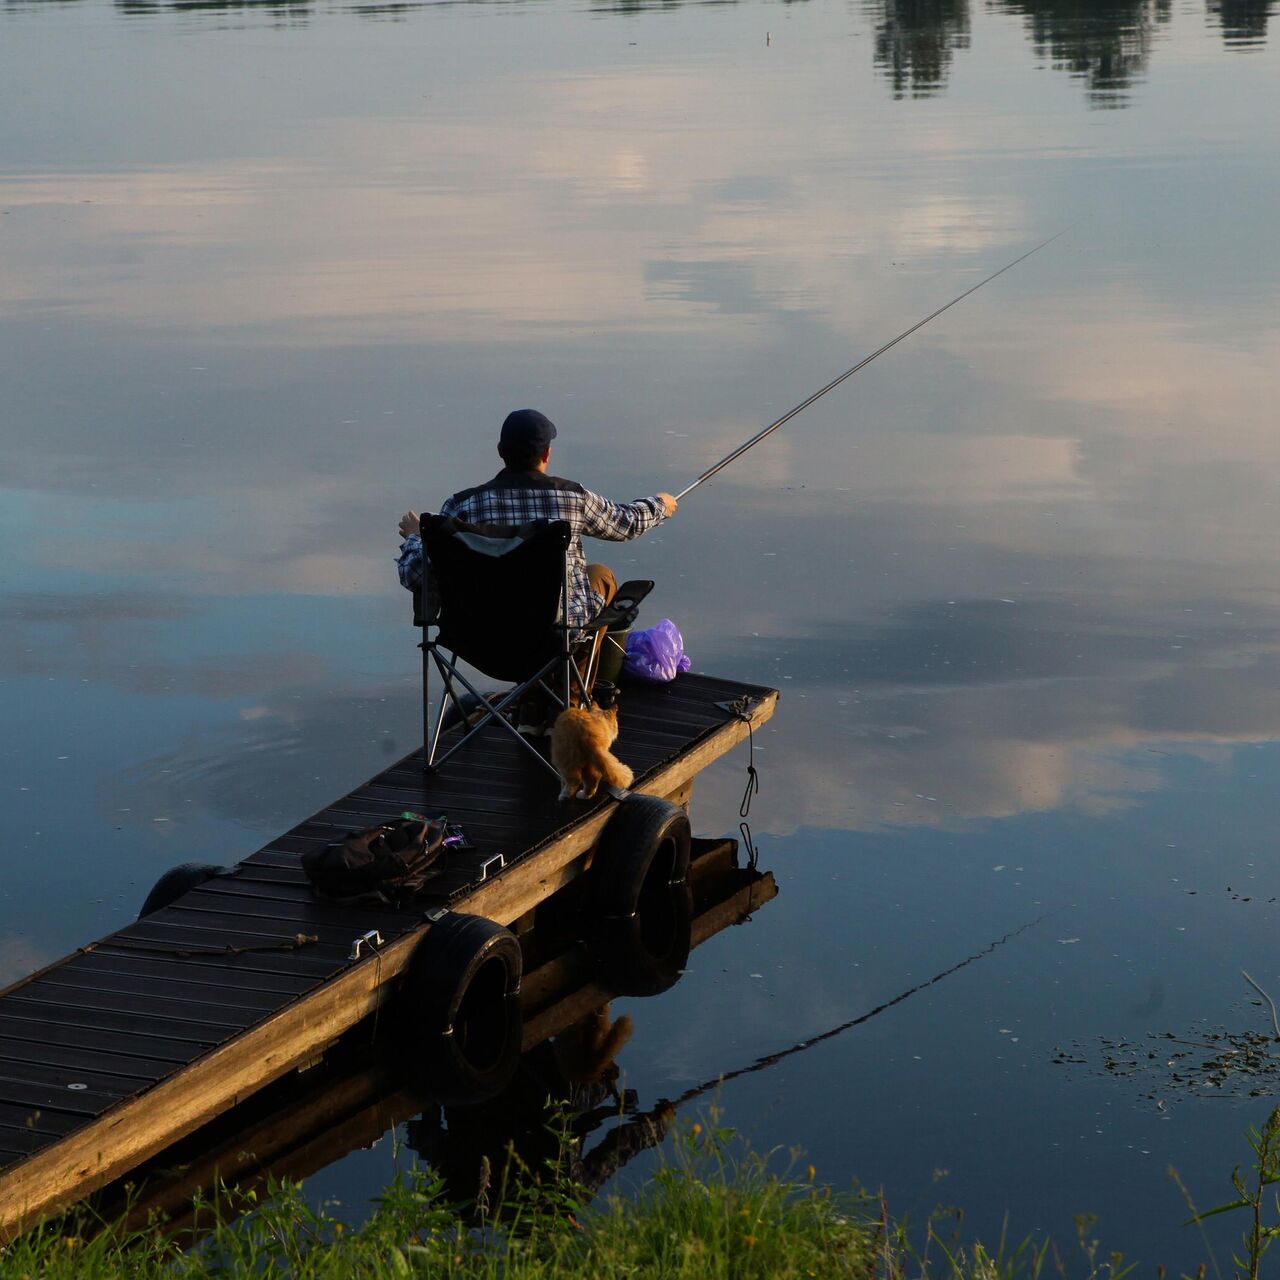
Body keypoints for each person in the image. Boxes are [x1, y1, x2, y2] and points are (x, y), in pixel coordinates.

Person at [396, 408, 677, 727]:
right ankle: (566, 702)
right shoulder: (571, 498)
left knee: (553, 598)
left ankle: (535, 705)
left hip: (477, 639)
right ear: (547, 454)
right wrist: (661, 505)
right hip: (548, 641)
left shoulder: (461, 507)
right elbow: (625, 523)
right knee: (600, 577)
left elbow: (416, 574)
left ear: (501, 453)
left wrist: (416, 537)